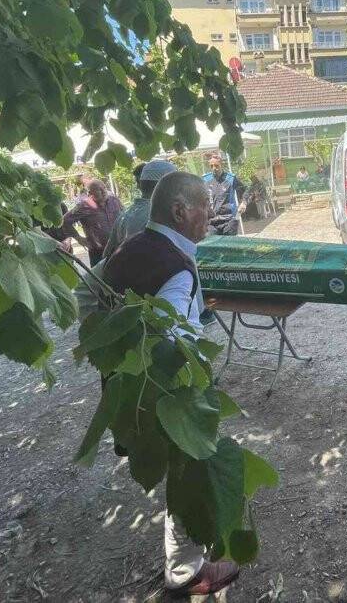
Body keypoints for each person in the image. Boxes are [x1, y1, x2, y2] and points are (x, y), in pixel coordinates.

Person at [103, 172, 239, 596]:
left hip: (127, 387)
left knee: (179, 472)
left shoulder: (130, 245)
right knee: (188, 470)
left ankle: (185, 563)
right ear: (180, 211)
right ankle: (185, 571)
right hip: (168, 395)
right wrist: (196, 399)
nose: (212, 214)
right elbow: (175, 343)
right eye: (204, 205)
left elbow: (92, 298)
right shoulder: (175, 268)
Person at [101, 160, 177, 261]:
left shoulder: (124, 216)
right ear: (166, 186)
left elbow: (107, 255)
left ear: (140, 185)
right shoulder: (165, 215)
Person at [62, 178, 122, 267]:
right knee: (100, 279)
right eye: (98, 189)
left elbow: (123, 216)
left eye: (104, 188)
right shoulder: (84, 206)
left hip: (118, 248)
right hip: (98, 253)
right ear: (90, 193)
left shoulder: (114, 201)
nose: (103, 191)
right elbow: (65, 220)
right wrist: (79, 238)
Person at [203, 156, 245, 236]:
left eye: (216, 165)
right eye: (211, 166)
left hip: (229, 219)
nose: (214, 168)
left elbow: (243, 190)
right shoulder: (205, 180)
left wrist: (243, 202)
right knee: (212, 245)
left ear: (221, 165)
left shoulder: (231, 179)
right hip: (212, 221)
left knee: (229, 245)